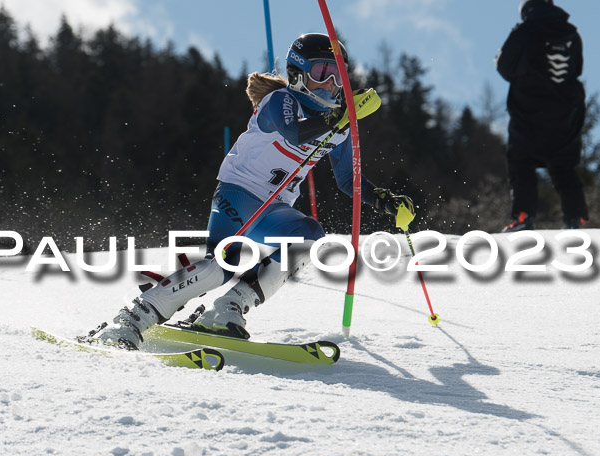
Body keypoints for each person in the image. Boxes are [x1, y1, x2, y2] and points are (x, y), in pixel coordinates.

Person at [83, 33, 413, 349]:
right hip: (238, 192)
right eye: (322, 72)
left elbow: (348, 181)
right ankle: (131, 318)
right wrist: (339, 118)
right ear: (298, 74)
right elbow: (294, 132)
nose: (332, 83)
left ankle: (227, 309)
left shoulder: (338, 126)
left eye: (338, 75)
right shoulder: (281, 101)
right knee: (221, 265)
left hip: (274, 207)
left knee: (308, 235)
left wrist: (382, 199)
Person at [496, 0, 588, 232]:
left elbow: (505, 67)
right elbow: (576, 69)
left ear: (527, 9)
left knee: (521, 161)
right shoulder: (571, 34)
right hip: (565, 114)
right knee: (564, 165)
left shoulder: (524, 32)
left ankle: (523, 217)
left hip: (530, 111)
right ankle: (576, 219)